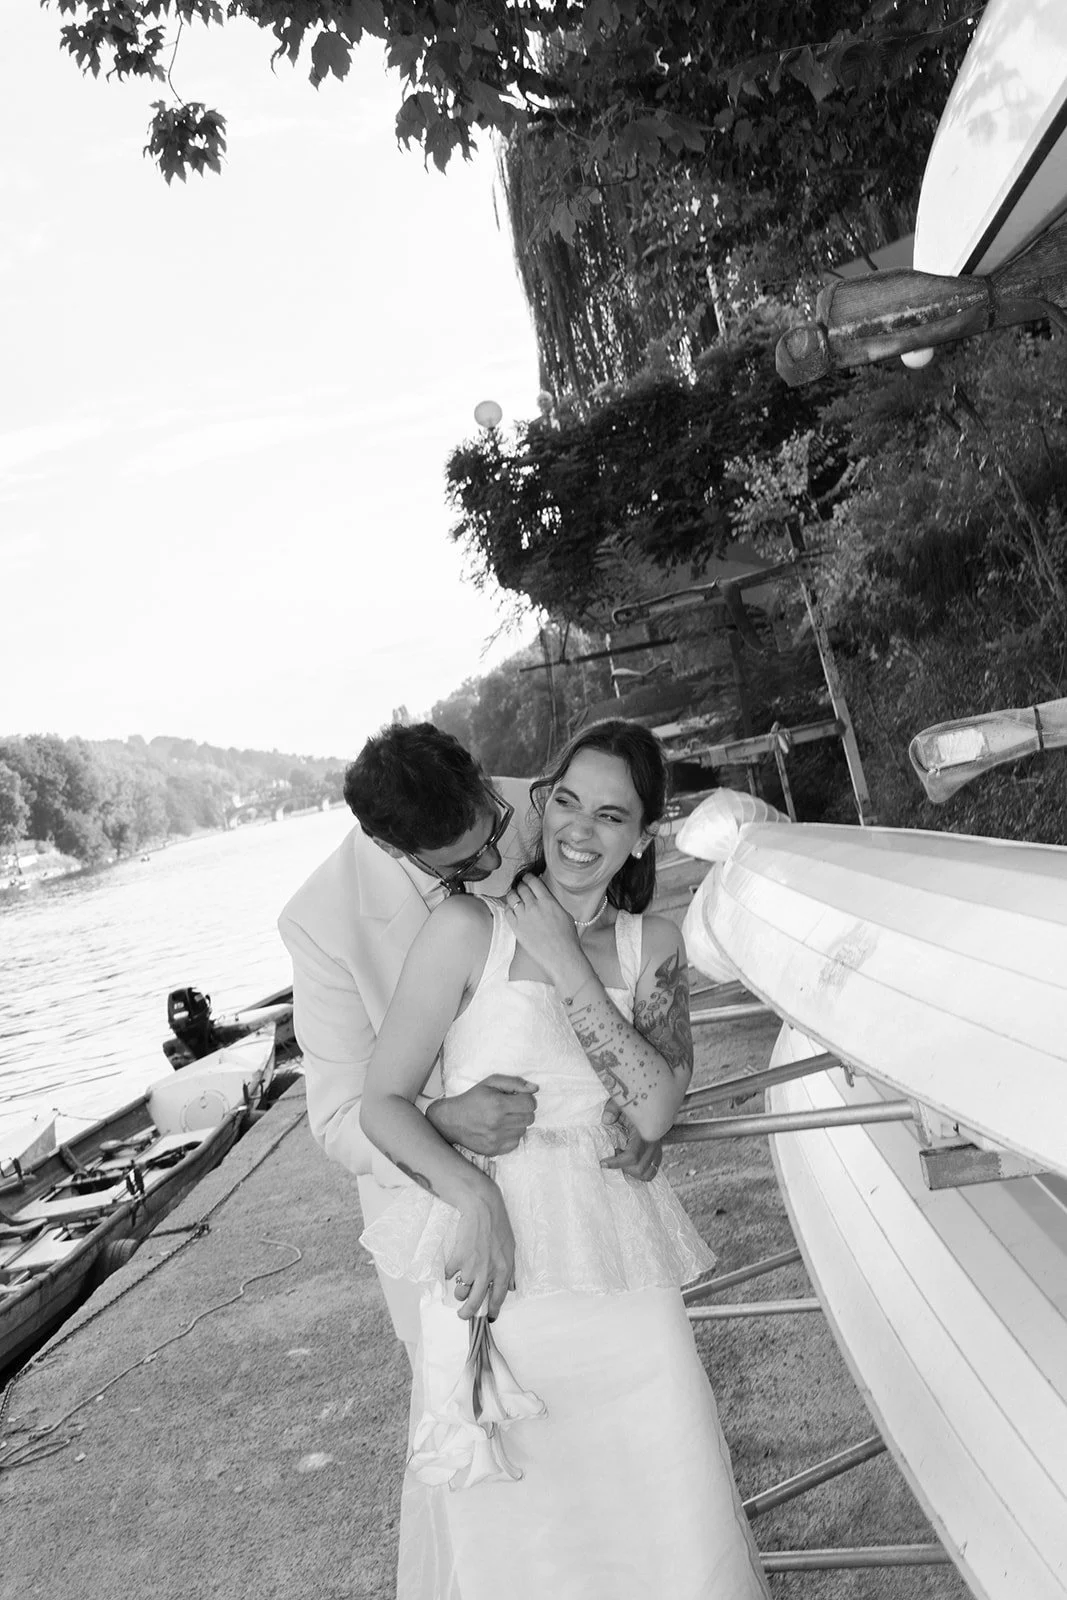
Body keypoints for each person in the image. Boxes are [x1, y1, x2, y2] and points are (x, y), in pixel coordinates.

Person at [360, 719, 770, 1600]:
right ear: (540, 804)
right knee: (520, 1528)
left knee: (657, 1493)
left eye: (611, 816)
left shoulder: (650, 947)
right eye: (568, 803)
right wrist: (473, 1199)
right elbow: (380, 1104)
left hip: (617, 1262)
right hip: (493, 1276)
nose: (580, 831)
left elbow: (657, 1104)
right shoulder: (466, 927)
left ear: (640, 837)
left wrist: (565, 959)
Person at [277, 722, 661, 1355]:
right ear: (390, 845)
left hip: (592, 1196)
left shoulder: (554, 804)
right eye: (463, 866)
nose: (493, 864)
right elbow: (343, 1115)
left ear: (482, 779)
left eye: (494, 834)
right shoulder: (319, 922)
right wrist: (443, 1121)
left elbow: (624, 944)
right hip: (440, 1207)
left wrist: (628, 1093)